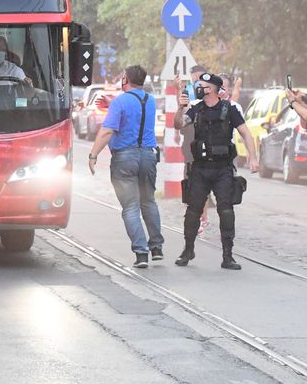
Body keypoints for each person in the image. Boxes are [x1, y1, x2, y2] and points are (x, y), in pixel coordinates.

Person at [174, 72, 259, 269]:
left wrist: (253, 158)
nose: (198, 87)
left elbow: (246, 133)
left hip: (222, 170)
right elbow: (178, 125)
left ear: (212, 89)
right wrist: (180, 108)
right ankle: (188, 250)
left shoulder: (229, 109)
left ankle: (228, 256)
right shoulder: (196, 109)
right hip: (200, 168)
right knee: (193, 210)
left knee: (226, 211)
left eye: (201, 85)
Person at [87, 65, 162, 268]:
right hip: (148, 155)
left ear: (125, 80)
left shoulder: (120, 102)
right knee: (149, 201)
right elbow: (136, 112)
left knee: (130, 207)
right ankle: (156, 247)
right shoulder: (151, 100)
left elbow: (106, 131)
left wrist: (93, 155)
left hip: (125, 158)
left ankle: (141, 253)